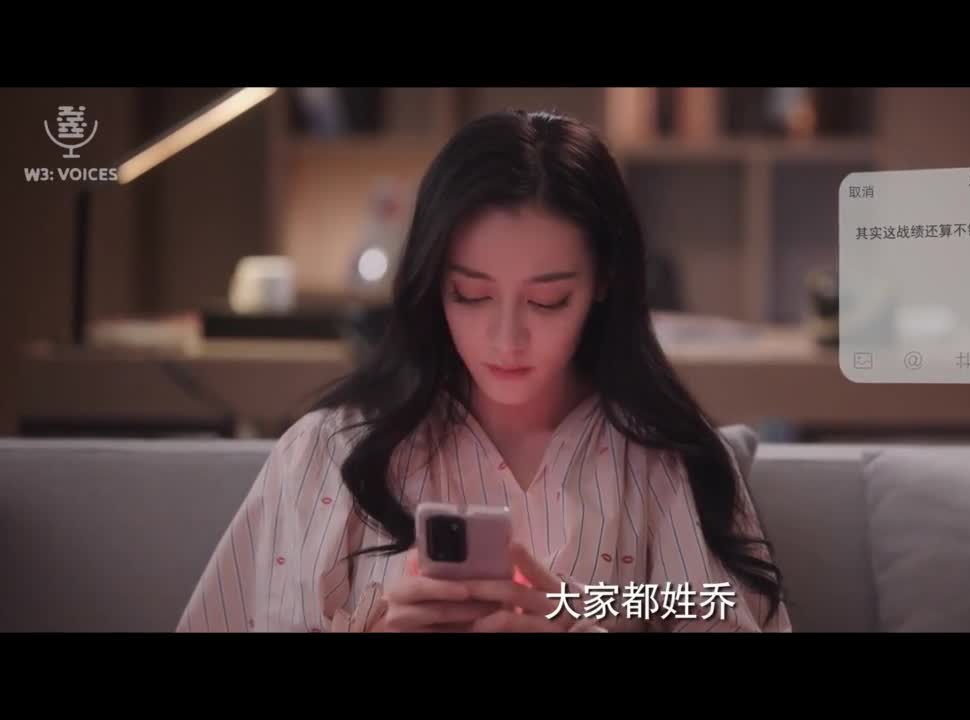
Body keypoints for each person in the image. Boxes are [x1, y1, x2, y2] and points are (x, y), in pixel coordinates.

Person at [177, 110, 791, 633]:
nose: (505, 339)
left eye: (547, 301)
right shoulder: (329, 454)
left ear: (604, 281)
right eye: (471, 295)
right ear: (431, 282)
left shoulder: (666, 462)